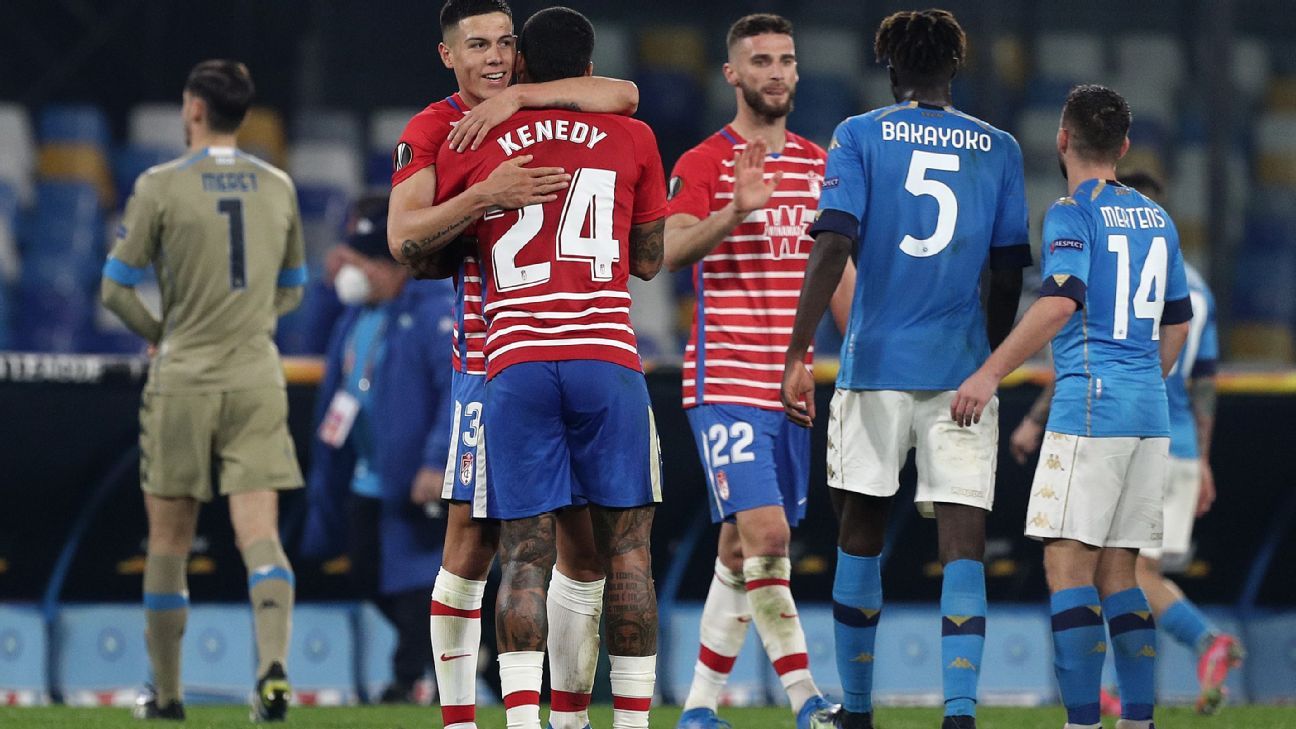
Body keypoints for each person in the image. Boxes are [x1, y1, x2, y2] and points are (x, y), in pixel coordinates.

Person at [386, 3, 640, 727]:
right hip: (484, 358)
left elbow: (625, 93)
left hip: (557, 355)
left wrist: (518, 98)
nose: (495, 57)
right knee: (472, 543)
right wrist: (482, 197)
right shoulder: (431, 129)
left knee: (579, 547)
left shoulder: (539, 106)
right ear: (447, 55)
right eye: (478, 45)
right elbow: (403, 240)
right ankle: (460, 719)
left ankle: (567, 716)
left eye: (505, 43)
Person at [780, 10, 1030, 729]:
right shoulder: (1000, 147)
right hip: (961, 369)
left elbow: (833, 244)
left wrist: (798, 350)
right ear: (955, 68)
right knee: (964, 544)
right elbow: (1007, 270)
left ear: (892, 71)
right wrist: (986, 357)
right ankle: (960, 714)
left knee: (859, 531)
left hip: (876, 365)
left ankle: (857, 713)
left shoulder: (859, 134)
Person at [950, 85, 1193, 729]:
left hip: (1091, 408)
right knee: (1121, 574)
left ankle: (1082, 722)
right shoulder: (1158, 219)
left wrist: (989, 371)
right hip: (1148, 414)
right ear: (1125, 146)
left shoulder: (1071, 212)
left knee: (1067, 566)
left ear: (1062, 140)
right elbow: (1178, 320)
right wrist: (1146, 378)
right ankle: (1137, 720)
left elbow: (1060, 301)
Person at [100, 60, 305, 722]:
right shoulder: (278, 185)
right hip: (256, 378)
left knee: (169, 541)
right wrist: (250, 325)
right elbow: (294, 288)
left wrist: (163, 333)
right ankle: (272, 668)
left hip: (183, 379)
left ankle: (166, 696)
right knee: (260, 534)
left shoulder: (160, 185)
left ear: (193, 108)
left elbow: (114, 288)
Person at [663, 13, 849, 729]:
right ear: (732, 74)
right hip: (727, 380)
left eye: (786, 60)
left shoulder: (819, 163)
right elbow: (670, 250)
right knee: (769, 538)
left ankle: (698, 707)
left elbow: (837, 274)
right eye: (761, 61)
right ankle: (807, 700)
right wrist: (735, 212)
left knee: (741, 547)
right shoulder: (705, 160)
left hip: (792, 384)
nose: (776, 72)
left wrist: (863, 356)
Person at [1007, 170, 1244, 717]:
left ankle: (1198, 645)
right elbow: (1204, 377)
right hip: (1167, 433)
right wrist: (1203, 459)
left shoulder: (1098, 245)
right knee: (1122, 572)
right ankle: (1132, 704)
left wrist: (1016, 398)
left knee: (1099, 570)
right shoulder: (1196, 284)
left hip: (1106, 418)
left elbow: (1089, 343)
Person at [299, 198, 457, 704]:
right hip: (365, 474)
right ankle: (444, 658)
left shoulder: (433, 311)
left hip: (413, 477)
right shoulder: (356, 315)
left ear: (397, 265)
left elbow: (454, 390)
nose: (359, 271)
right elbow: (311, 342)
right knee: (368, 573)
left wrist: (437, 460)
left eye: (369, 262)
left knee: (415, 579)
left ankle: (411, 676)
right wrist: (328, 289)